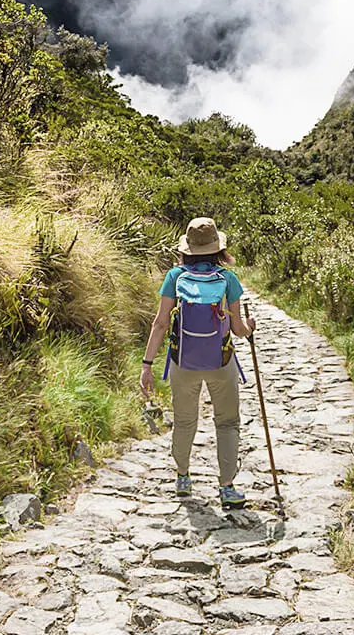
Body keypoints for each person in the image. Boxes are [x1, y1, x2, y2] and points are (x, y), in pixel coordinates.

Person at [139, 216, 256, 507]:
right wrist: (250, 327)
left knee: (185, 421)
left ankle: (182, 478)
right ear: (218, 248)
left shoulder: (175, 277)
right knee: (227, 423)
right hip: (221, 361)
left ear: (188, 249)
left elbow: (160, 323)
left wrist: (147, 364)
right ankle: (227, 487)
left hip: (184, 362)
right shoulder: (228, 279)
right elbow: (239, 329)